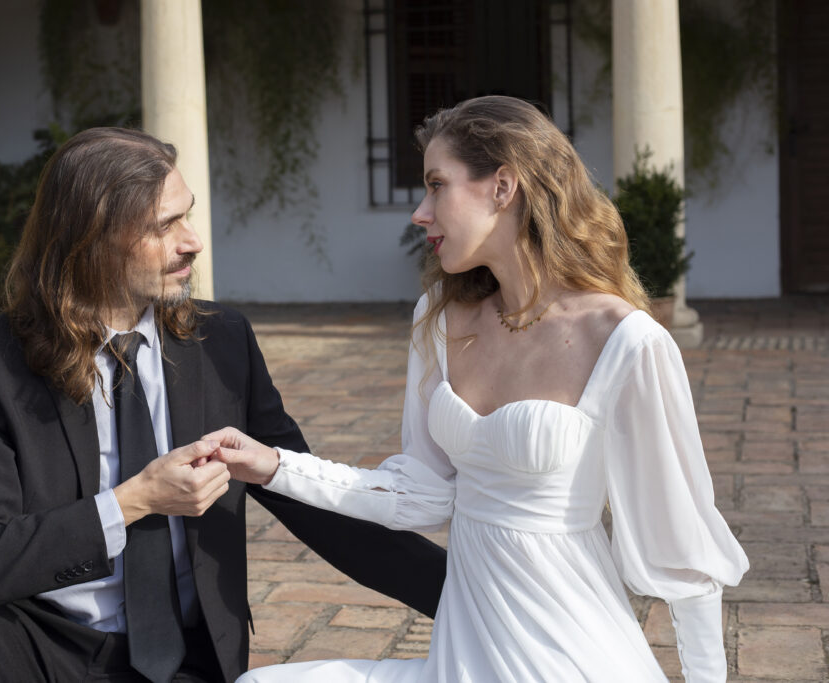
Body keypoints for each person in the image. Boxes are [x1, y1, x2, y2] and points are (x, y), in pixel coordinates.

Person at [0, 127, 447, 683]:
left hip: (177, 653)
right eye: (164, 226)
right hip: (35, 632)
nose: (192, 240)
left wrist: (468, 595)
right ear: (90, 240)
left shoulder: (223, 343)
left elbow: (313, 504)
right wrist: (131, 502)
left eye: (186, 214)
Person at [207, 96, 749, 683]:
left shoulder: (624, 340)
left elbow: (683, 556)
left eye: (436, 185)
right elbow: (419, 493)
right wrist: (273, 465)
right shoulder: (440, 322)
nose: (420, 211)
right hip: (464, 658)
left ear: (503, 187)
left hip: (573, 656)